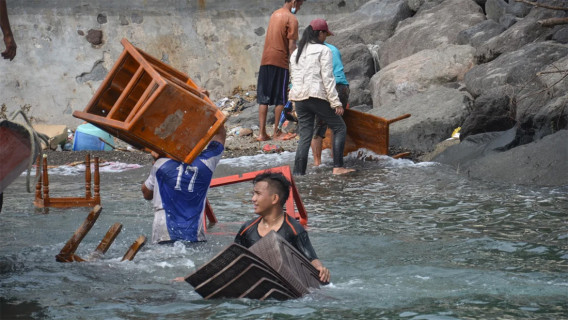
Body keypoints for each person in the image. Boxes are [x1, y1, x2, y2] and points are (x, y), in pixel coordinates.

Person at [234, 172, 330, 283]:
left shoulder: (294, 229)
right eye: (253, 194)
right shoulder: (247, 229)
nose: (253, 199)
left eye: (258, 194)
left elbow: (311, 258)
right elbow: (235, 258)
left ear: (275, 198)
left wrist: (320, 269)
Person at [289, 19, 354, 175]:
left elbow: (294, 78)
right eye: (325, 34)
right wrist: (335, 102)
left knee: (305, 136)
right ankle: (338, 167)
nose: (326, 38)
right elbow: (327, 78)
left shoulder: (296, 52)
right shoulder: (324, 50)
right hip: (316, 96)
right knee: (339, 127)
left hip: (299, 99)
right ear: (320, 33)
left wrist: (292, 102)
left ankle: (298, 173)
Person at [141, 125, 226, 244]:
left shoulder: (160, 164)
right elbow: (220, 136)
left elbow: (146, 194)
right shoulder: (207, 163)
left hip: (164, 234)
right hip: (194, 235)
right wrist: (217, 121)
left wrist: (158, 156)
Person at [256, 0, 304, 141]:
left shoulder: (274, 15)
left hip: (265, 60)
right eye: (300, 4)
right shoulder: (291, 19)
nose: (299, 8)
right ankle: (277, 132)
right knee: (280, 99)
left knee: (263, 99)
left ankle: (262, 134)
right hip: (280, 62)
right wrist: (297, 64)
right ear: (294, 1)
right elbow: (291, 47)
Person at [311, 40, 350, 166]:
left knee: (317, 127)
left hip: (323, 88)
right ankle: (336, 159)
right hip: (340, 88)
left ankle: (317, 162)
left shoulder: (307, 51)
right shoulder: (332, 49)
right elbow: (338, 74)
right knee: (336, 124)